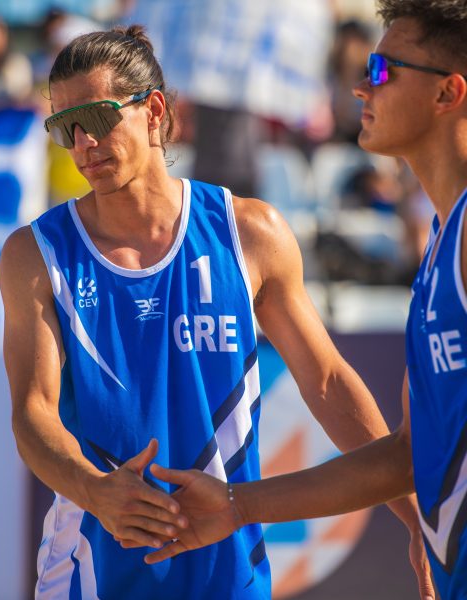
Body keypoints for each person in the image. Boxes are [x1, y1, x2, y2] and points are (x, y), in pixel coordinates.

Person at [0, 25, 431, 599]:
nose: (83, 144)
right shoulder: (36, 253)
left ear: (154, 110)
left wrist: (414, 516)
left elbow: (327, 381)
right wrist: (95, 489)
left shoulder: (250, 231)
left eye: (98, 118)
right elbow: (32, 413)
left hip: (229, 573)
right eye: (64, 128)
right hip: (91, 573)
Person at [143, 2, 467, 599]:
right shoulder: (442, 242)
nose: (360, 86)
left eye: (382, 71)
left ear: (448, 92)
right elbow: (405, 457)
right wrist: (238, 504)